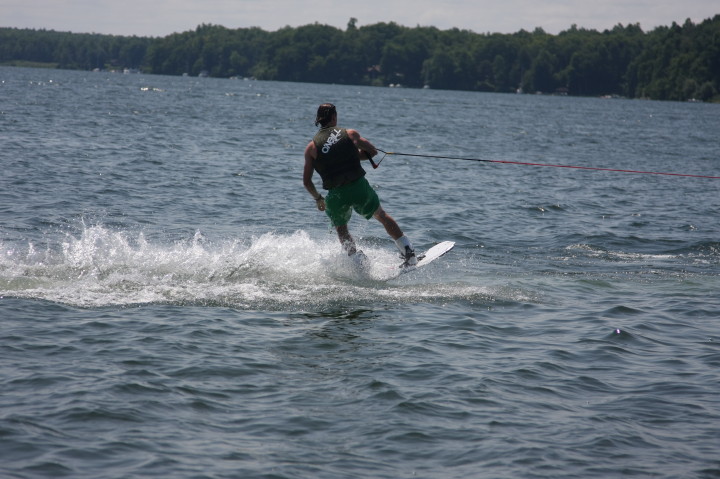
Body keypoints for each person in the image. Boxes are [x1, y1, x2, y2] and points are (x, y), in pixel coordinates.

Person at [303, 103, 417, 266]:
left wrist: (318, 199)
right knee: (381, 215)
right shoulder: (349, 134)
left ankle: (357, 263)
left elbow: (307, 182)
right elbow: (372, 151)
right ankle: (408, 251)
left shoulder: (311, 148)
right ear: (334, 117)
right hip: (358, 187)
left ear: (318, 119)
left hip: (336, 195)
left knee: (341, 229)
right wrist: (351, 155)